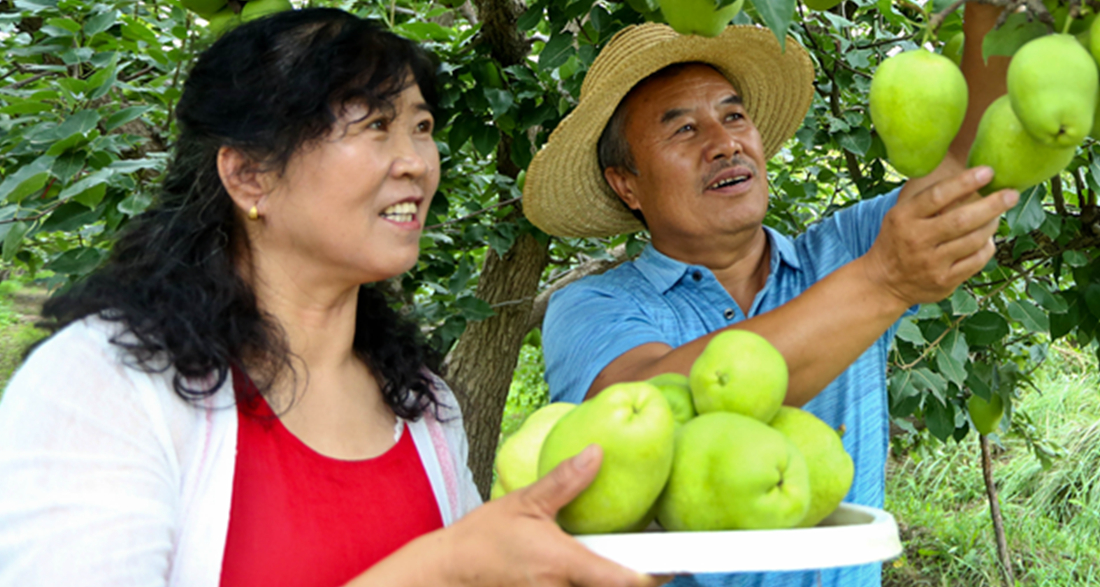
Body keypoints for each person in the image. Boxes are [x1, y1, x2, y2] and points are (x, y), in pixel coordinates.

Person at [0, 9, 668, 587]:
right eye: (375, 125)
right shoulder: (100, 387)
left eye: (422, 125)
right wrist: (440, 568)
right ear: (248, 172)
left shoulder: (423, 406)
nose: (415, 160)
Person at [524, 5, 1013, 587]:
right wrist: (884, 281)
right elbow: (650, 408)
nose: (725, 143)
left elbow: (974, 169)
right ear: (626, 184)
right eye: (683, 128)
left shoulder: (842, 251)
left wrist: (992, 15)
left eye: (734, 116)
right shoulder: (594, 305)